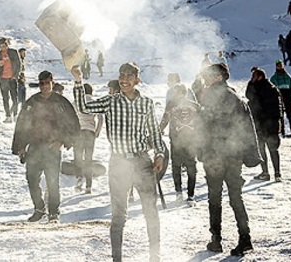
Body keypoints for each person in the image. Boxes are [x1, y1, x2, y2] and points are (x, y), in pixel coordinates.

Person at [72, 62, 166, 262]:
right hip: (119, 164)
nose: (124, 79)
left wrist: (159, 154)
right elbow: (83, 106)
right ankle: (117, 259)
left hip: (142, 162)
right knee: (118, 216)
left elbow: (155, 133)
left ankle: (154, 256)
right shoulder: (111, 102)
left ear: (137, 80)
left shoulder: (147, 103)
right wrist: (79, 80)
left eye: (129, 76)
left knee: (150, 210)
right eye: (121, 75)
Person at [197, 63, 259, 257]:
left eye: (208, 75)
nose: (205, 78)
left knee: (214, 198)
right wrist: (251, 153)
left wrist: (201, 150)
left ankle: (216, 240)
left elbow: (205, 127)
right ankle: (245, 238)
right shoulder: (236, 96)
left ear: (219, 77)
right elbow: (247, 126)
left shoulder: (212, 97)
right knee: (236, 197)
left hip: (216, 155)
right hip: (234, 155)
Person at [12, 70, 80, 224]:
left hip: (52, 148)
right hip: (35, 147)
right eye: (41, 83)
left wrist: (62, 141)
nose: (43, 86)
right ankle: (39, 208)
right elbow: (22, 124)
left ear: (52, 82)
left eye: (46, 83)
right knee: (31, 179)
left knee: (52, 181)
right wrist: (21, 146)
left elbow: (73, 123)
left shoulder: (61, 102)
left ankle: (54, 213)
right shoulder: (32, 102)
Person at [159, 83, 199, 204]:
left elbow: (165, 119)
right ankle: (185, 195)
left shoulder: (173, 105)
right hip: (182, 141)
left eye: (176, 92)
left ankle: (183, 194)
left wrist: (160, 129)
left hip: (184, 141)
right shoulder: (194, 105)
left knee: (182, 167)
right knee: (187, 167)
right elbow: (165, 119)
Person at [245, 68, 284, 182]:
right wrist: (279, 122)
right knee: (273, 149)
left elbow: (248, 96)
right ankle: (277, 173)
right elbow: (280, 107)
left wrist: (251, 83)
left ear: (260, 77)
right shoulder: (273, 88)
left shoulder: (256, 88)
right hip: (272, 124)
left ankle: (265, 172)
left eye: (254, 76)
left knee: (262, 149)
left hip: (261, 124)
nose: (252, 78)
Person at [73, 83, 102, 194]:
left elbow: (70, 116)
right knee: (89, 158)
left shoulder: (77, 102)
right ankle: (88, 186)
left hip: (78, 132)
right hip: (90, 132)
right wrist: (97, 132)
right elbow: (100, 118)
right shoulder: (95, 102)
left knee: (78, 156)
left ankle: (79, 177)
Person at [0, 37, 21, 123]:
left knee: (15, 98)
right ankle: (8, 116)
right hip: (3, 79)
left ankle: (15, 115)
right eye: (1, 46)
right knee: (5, 98)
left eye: (4, 46)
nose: (2, 48)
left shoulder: (13, 52)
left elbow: (19, 64)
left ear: (7, 45)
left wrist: (15, 76)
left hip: (12, 78)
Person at [270, 60, 291, 137]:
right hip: (279, 98)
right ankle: (281, 132)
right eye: (278, 66)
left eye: (281, 65)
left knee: (290, 115)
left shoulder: (287, 77)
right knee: (280, 116)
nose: (280, 67)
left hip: (287, 97)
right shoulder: (274, 78)